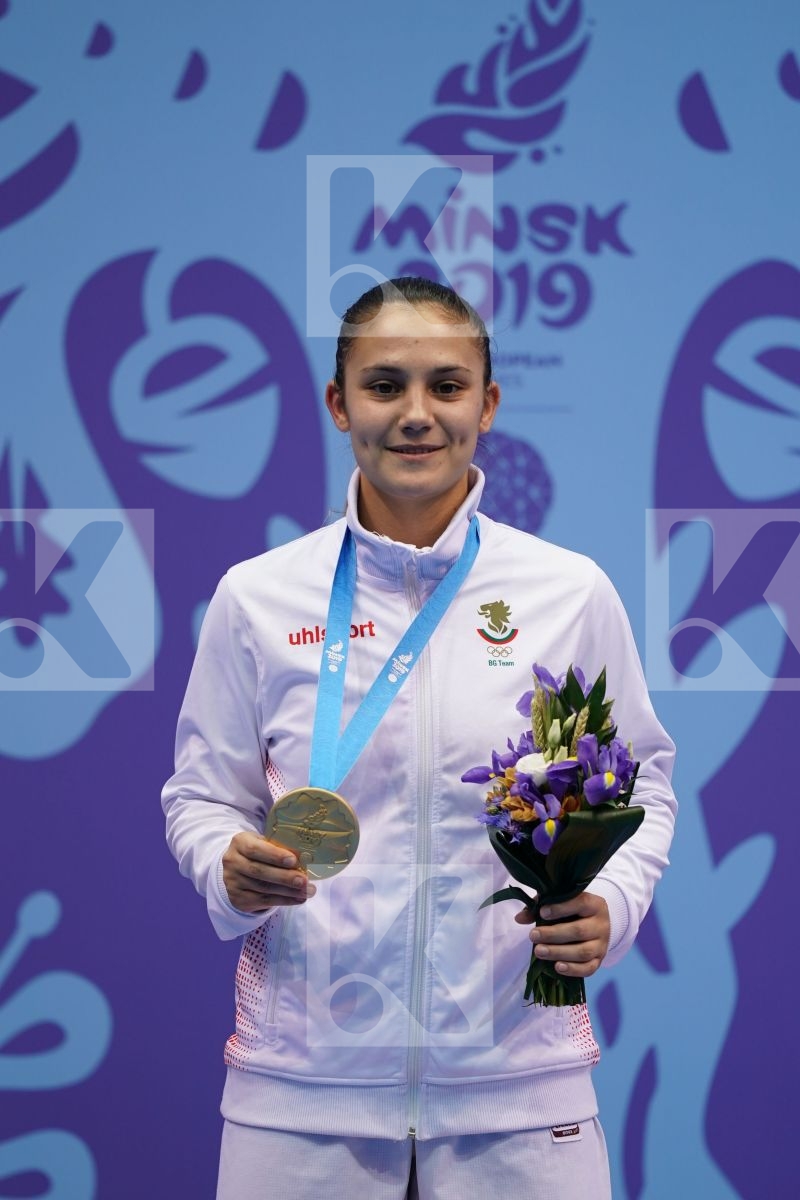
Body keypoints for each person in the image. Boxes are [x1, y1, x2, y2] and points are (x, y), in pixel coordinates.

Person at [162, 277, 677, 1199]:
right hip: (300, 1094)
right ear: (337, 403)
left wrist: (617, 904)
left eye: (445, 386)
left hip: (520, 1094)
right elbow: (201, 796)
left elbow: (643, 786)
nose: (415, 414)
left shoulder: (569, 592)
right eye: (384, 385)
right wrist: (225, 863)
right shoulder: (258, 597)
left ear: (487, 404)